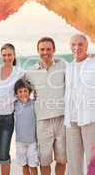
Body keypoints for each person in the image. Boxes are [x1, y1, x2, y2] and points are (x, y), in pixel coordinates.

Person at [64, 34, 95, 175]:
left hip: (91, 119)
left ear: (86, 46)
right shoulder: (69, 67)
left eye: (80, 44)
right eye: (73, 44)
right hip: (71, 120)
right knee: (73, 163)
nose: (76, 47)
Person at [25, 37, 67, 175]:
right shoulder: (30, 72)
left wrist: (89, 59)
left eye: (48, 49)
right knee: (44, 160)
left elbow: (79, 70)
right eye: (42, 49)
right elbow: (19, 90)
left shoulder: (63, 65)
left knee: (62, 159)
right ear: (38, 51)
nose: (45, 52)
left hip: (62, 119)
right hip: (42, 121)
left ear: (54, 50)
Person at [0, 43, 25, 175]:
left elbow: (26, 91)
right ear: (1, 56)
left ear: (14, 56)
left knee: (3, 154)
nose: (7, 58)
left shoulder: (20, 72)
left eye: (9, 55)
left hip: (7, 118)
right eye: (4, 55)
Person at [14, 79, 39, 175]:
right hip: (20, 141)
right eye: (20, 92)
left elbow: (37, 91)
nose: (23, 94)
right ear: (16, 93)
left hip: (32, 142)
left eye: (25, 91)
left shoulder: (34, 103)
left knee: (33, 166)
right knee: (24, 165)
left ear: (30, 92)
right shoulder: (15, 104)